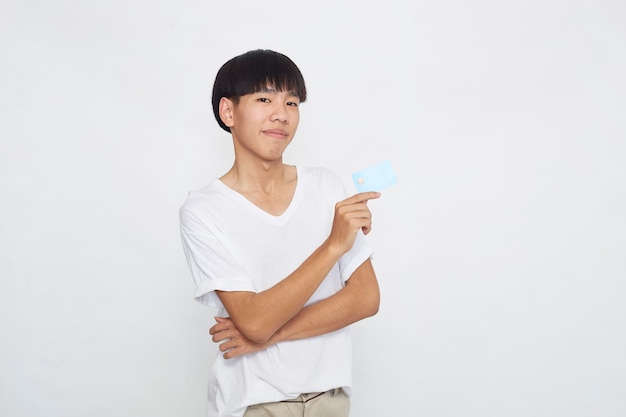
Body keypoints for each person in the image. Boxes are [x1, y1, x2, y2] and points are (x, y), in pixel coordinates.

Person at [179, 49, 381, 417]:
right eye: (263, 99)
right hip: (253, 403)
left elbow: (366, 298)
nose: (281, 113)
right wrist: (334, 245)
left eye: (291, 101)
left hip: (330, 399)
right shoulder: (204, 210)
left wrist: (270, 335)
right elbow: (254, 321)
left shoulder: (326, 186)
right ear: (228, 112)